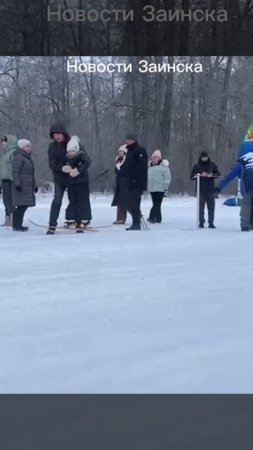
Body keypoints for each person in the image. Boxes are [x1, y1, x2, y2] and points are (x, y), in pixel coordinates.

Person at [215, 151, 253, 231]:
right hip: (247, 186)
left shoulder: (242, 161)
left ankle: (245, 225)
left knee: (246, 205)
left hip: (246, 187)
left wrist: (219, 187)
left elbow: (230, 175)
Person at [61, 136, 91, 233]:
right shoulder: (66, 157)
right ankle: (71, 219)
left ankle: (84, 219)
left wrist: (78, 170)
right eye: (69, 151)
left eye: (73, 151)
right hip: (71, 183)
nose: (71, 153)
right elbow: (61, 164)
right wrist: (64, 168)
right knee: (72, 201)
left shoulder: (82, 156)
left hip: (82, 182)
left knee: (83, 201)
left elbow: (87, 162)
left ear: (77, 150)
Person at [47, 122, 71, 234]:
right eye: (54, 134)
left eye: (59, 133)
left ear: (64, 134)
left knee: (75, 200)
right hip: (59, 178)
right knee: (57, 201)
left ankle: (74, 220)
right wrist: (61, 168)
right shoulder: (52, 147)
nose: (57, 136)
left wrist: (73, 168)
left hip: (72, 177)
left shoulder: (71, 143)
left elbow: (79, 157)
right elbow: (52, 163)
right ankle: (52, 224)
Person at [12, 139, 37, 232]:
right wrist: (17, 184)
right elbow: (15, 171)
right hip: (21, 186)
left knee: (23, 206)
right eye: (27, 146)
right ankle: (17, 225)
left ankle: (17, 224)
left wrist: (34, 186)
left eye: (30, 146)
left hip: (27, 186)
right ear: (22, 147)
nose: (29, 148)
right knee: (21, 206)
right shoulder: (19, 157)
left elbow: (30, 174)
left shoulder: (26, 158)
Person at [124, 133, 148, 231]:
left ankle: (136, 223)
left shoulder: (139, 150)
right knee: (129, 203)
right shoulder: (129, 151)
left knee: (135, 203)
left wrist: (135, 178)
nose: (126, 141)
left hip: (137, 182)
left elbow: (141, 167)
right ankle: (135, 220)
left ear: (133, 140)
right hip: (130, 181)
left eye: (128, 139)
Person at [191, 151, 220, 228]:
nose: (204, 158)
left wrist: (212, 175)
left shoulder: (212, 165)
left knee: (211, 207)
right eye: (203, 157)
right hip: (200, 190)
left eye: (205, 157)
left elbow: (218, 174)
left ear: (208, 157)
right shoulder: (197, 166)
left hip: (210, 189)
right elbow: (192, 176)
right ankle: (201, 222)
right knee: (200, 208)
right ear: (201, 157)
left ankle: (211, 222)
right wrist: (199, 175)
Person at [147, 149, 171, 224]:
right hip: (152, 188)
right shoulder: (150, 167)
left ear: (160, 158)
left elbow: (167, 178)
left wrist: (165, 187)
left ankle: (152, 217)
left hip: (160, 188)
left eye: (156, 157)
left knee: (156, 204)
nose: (155, 159)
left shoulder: (164, 167)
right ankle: (158, 218)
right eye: (153, 157)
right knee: (156, 204)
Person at [0, 135, 17, 226]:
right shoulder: (5, 154)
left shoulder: (13, 153)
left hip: (11, 180)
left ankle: (14, 219)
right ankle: (8, 218)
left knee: (9, 200)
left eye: (4, 142)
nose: (2, 144)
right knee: (6, 200)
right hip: (4, 180)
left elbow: (16, 167)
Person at [111, 145, 128, 225]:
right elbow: (117, 171)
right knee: (119, 202)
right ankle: (119, 218)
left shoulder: (127, 161)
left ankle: (136, 217)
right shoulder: (117, 160)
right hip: (119, 184)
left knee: (126, 202)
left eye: (122, 152)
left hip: (126, 184)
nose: (120, 153)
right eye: (119, 152)